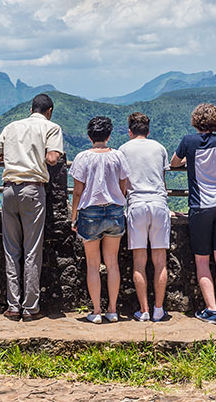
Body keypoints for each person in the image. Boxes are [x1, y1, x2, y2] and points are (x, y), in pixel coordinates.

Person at [0, 93, 64, 321]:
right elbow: (52, 159)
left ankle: (13, 307)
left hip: (9, 190)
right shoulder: (51, 128)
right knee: (32, 250)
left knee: (11, 249)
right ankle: (30, 307)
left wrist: (14, 159)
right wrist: (37, 157)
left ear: (31, 110)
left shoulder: (12, 127)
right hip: (33, 190)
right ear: (49, 111)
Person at [171, 103, 216, 324]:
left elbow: (174, 162)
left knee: (202, 260)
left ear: (196, 120)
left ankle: (211, 309)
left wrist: (189, 160)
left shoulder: (188, 141)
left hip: (200, 205)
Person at [70, 116, 130, 324]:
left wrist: (74, 216)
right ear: (109, 135)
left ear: (89, 136)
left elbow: (78, 191)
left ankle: (96, 311)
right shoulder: (118, 156)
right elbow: (124, 184)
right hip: (114, 211)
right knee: (112, 263)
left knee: (93, 265)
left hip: (90, 213)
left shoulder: (82, 157)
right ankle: (112, 310)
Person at [119, 112, 172, 322]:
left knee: (139, 261)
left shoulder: (124, 149)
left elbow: (122, 181)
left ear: (130, 131)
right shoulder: (159, 148)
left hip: (136, 204)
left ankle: (144, 310)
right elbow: (163, 179)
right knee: (160, 261)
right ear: (148, 131)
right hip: (159, 204)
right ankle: (159, 309)